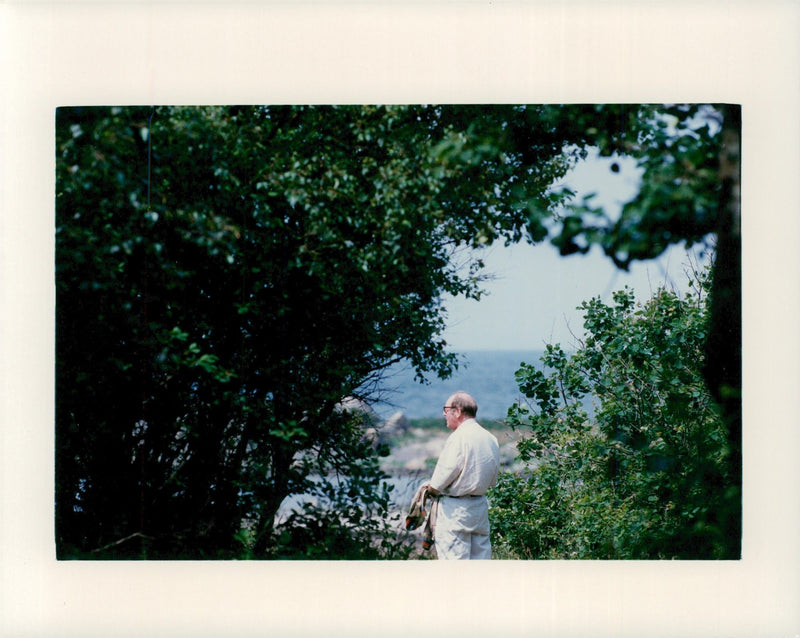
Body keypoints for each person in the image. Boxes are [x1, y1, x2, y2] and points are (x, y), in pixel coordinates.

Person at [423, 391, 500, 560]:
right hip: (479, 509)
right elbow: (493, 480)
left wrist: (430, 488)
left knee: (455, 571)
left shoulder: (458, 438)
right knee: (480, 569)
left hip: (455, 511)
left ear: (457, 411)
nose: (444, 413)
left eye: (446, 409)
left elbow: (439, 481)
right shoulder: (490, 438)